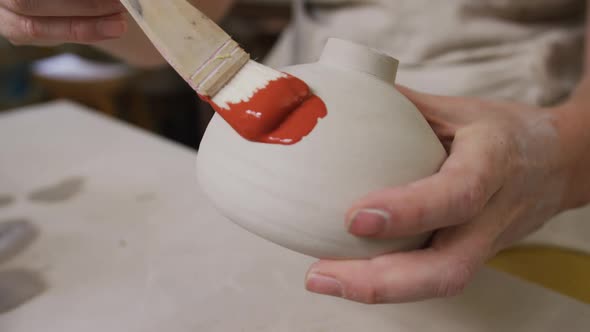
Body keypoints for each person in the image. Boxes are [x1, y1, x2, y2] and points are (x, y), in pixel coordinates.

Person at [1, 0, 588, 304]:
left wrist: (561, 154)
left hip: (528, 132)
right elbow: (177, 23)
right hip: (289, 89)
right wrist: (86, 11)